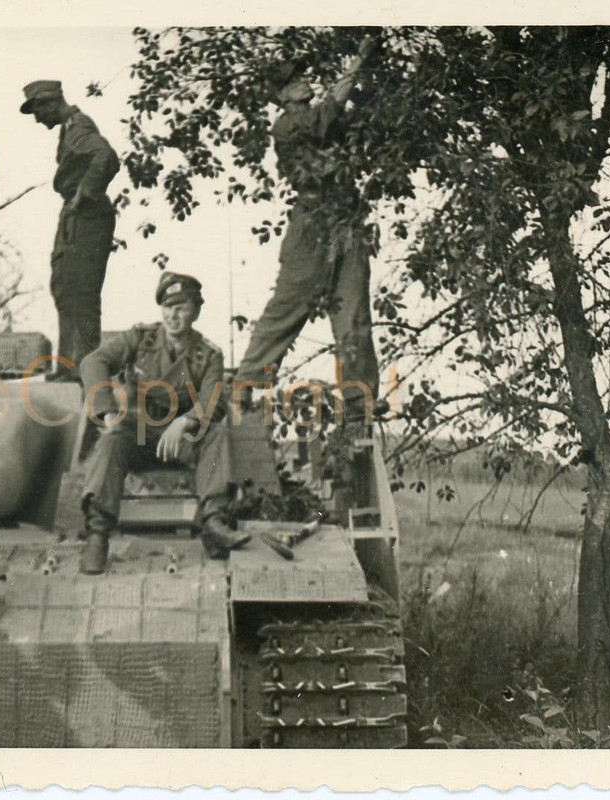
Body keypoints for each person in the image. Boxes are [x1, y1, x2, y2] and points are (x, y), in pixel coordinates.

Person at [234, 37, 380, 427]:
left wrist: (368, 85)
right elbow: (330, 112)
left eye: (302, 74)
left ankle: (357, 398)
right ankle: (245, 381)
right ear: (281, 95)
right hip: (313, 222)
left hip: (346, 220)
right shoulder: (289, 125)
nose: (303, 80)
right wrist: (359, 61)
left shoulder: (318, 118)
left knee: (353, 311)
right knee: (291, 301)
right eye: (293, 79)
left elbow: (354, 119)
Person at [77, 272, 251, 574]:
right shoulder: (141, 339)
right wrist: (106, 412)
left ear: (196, 310)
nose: (173, 314)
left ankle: (214, 522)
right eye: (168, 306)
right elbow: (93, 362)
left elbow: (213, 400)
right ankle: (97, 534)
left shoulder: (207, 354)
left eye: (181, 306)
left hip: (183, 442)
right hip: (139, 435)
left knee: (216, 433)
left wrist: (185, 422)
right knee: (109, 442)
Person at [19, 80, 120, 381]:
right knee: (65, 287)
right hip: (76, 218)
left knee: (81, 292)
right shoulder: (70, 129)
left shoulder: (78, 126)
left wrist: (84, 192)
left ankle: (84, 367)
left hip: (87, 217)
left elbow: (106, 156)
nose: (37, 118)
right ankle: (68, 365)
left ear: (50, 103)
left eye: (37, 110)